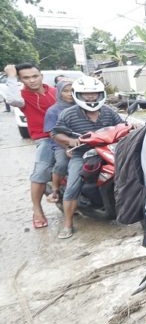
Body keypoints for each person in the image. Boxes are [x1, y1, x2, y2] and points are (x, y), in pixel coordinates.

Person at [52, 76, 123, 239]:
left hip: (107, 150)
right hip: (81, 154)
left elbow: (121, 126)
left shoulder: (108, 111)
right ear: (79, 95)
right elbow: (55, 133)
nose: (91, 97)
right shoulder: (68, 114)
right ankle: (68, 224)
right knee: (73, 186)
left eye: (95, 94)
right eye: (87, 94)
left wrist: (133, 126)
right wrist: (70, 141)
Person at [3, 63, 58, 228]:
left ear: (41, 75)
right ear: (21, 80)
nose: (32, 80)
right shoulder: (22, 97)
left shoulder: (55, 92)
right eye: (26, 78)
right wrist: (11, 76)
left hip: (68, 135)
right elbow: (11, 99)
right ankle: (37, 209)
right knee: (41, 170)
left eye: (35, 76)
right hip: (46, 138)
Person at [43, 80, 75, 203]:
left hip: (82, 141)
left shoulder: (84, 106)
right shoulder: (53, 111)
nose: (69, 94)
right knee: (62, 163)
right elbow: (52, 133)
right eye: (65, 91)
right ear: (59, 93)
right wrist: (66, 147)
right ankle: (55, 189)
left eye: (72, 91)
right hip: (60, 145)